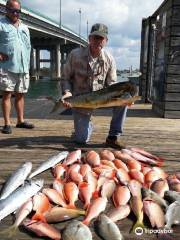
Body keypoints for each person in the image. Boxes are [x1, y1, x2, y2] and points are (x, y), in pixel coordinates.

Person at [61, 23, 127, 149]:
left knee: (123, 102)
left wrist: (123, 97)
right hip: (82, 101)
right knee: (81, 140)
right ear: (89, 38)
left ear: (106, 41)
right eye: (95, 37)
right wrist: (67, 92)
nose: (98, 41)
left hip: (102, 99)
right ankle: (87, 124)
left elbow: (112, 84)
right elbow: (65, 78)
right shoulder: (74, 55)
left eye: (101, 38)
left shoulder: (110, 59)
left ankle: (113, 137)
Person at [0, 0, 34, 134]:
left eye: (18, 11)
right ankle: (7, 124)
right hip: (7, 66)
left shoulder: (25, 27)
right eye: (12, 10)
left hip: (23, 66)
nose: (15, 13)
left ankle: (20, 121)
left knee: (21, 94)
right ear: (5, 9)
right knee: (7, 94)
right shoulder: (1, 25)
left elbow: (28, 46)